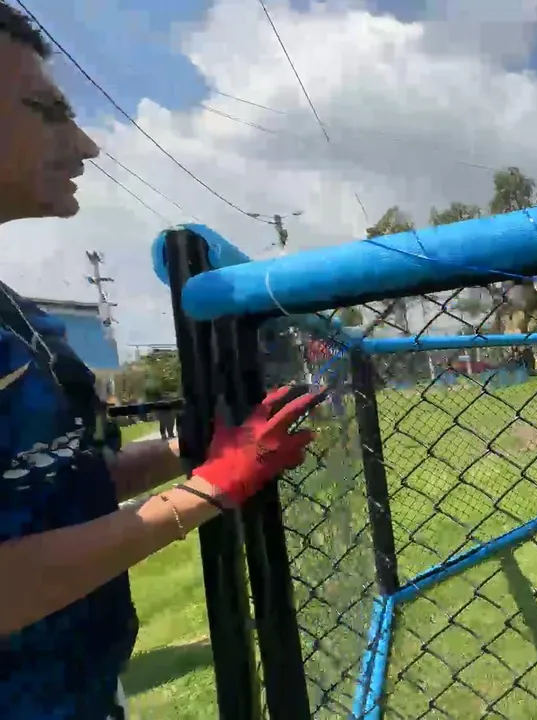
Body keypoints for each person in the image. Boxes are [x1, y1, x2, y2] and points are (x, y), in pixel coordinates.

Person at [0, 5, 321, 718]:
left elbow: (57, 485)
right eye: (46, 111)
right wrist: (210, 488)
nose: (86, 144)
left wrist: (194, 444)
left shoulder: (21, 315)